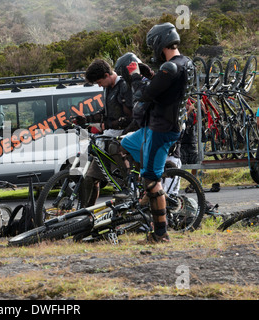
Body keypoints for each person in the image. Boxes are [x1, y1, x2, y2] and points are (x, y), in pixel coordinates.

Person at [120, 22, 195, 243]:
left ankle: (160, 234)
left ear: (160, 42)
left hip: (161, 129)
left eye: (153, 44)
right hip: (164, 126)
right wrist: (150, 74)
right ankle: (154, 174)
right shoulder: (184, 63)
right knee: (126, 144)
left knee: (151, 181)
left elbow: (144, 95)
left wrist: (135, 76)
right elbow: (164, 89)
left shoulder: (170, 67)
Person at [79, 57, 137, 205]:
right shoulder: (107, 88)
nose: (99, 86)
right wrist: (87, 119)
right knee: (89, 179)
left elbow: (130, 117)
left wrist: (108, 124)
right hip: (108, 138)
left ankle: (128, 189)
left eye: (99, 82)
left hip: (123, 140)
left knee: (120, 186)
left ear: (106, 75)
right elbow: (106, 112)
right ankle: (85, 217)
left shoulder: (124, 86)